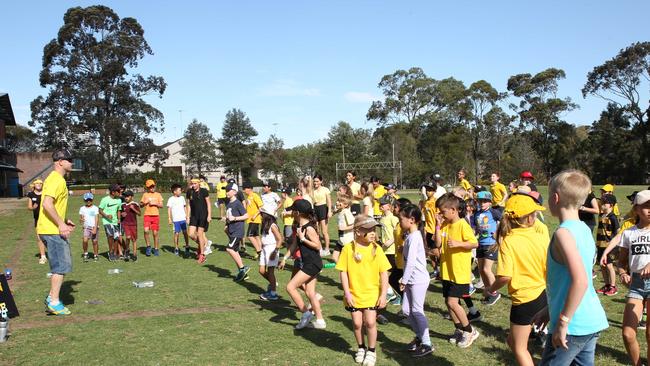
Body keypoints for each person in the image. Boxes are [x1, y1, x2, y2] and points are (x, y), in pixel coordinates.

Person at [537, 170, 608, 366]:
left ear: (555, 198)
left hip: (573, 326)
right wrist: (549, 309)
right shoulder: (584, 229)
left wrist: (562, 322)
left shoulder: (563, 234)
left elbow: (581, 281)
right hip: (588, 321)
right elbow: (569, 280)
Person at [488, 193, 548, 366]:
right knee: (511, 341)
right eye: (534, 213)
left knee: (519, 348)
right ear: (529, 218)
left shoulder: (508, 240)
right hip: (543, 294)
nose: (536, 216)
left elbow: (505, 276)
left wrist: (491, 288)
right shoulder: (540, 235)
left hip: (525, 300)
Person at [336, 214, 391, 366]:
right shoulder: (348, 249)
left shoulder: (377, 249)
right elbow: (343, 272)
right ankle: (361, 348)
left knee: (371, 322)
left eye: (374, 229)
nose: (373, 232)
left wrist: (383, 294)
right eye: (369, 229)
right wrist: (347, 293)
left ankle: (372, 351)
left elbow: (384, 273)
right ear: (358, 231)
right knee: (357, 323)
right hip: (354, 294)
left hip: (372, 293)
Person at [435, 193, 480, 348]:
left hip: (459, 272)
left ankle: (470, 330)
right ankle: (459, 329)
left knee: (452, 302)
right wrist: (437, 225)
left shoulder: (462, 225)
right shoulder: (445, 225)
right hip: (447, 270)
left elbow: (474, 244)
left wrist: (459, 243)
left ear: (453, 210)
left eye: (443, 212)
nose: (441, 214)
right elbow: (438, 243)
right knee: (448, 303)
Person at [38, 149, 76, 315]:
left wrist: (64, 219)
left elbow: (53, 204)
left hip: (50, 228)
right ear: (60, 161)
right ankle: (54, 302)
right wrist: (60, 224)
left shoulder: (55, 179)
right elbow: (47, 204)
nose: (72, 163)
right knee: (60, 266)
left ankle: (51, 297)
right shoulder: (56, 179)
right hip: (52, 231)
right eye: (69, 159)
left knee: (60, 265)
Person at [617, 190, 650, 366]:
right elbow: (621, 262)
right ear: (636, 209)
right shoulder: (628, 233)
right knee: (628, 333)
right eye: (646, 206)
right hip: (636, 284)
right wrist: (623, 273)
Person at [398, 204, 434, 357]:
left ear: (412, 220)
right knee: (406, 310)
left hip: (417, 280)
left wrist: (404, 280)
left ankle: (427, 343)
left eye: (401, 219)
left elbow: (412, 261)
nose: (399, 221)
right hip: (410, 279)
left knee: (417, 311)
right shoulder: (410, 236)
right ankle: (419, 337)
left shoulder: (414, 237)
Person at [285, 199, 326, 330]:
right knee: (310, 292)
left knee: (290, 287)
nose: (291, 212)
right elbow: (294, 245)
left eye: (293, 210)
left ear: (298, 212)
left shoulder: (308, 228)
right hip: (310, 263)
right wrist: (285, 258)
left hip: (312, 264)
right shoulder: (299, 227)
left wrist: (303, 239)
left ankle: (306, 313)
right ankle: (320, 321)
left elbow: (318, 246)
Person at [474, 191, 502, 305]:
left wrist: (499, 234)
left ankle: (495, 293)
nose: (482, 203)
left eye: (485, 201)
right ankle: (488, 291)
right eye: (480, 201)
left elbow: (504, 222)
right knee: (481, 270)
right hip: (480, 243)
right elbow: (476, 228)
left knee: (486, 269)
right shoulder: (476, 214)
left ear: (490, 202)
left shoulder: (494, 212)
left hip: (491, 243)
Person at [224, 182, 251, 282]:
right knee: (235, 251)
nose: (226, 192)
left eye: (228, 190)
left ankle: (243, 268)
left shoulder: (237, 203)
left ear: (234, 192)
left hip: (238, 231)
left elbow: (246, 216)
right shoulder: (229, 203)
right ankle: (243, 273)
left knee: (229, 249)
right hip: (231, 230)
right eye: (226, 190)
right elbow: (229, 217)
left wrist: (234, 218)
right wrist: (226, 224)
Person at [595, 194, 619, 296]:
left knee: (609, 266)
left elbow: (617, 232)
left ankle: (613, 287)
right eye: (602, 203)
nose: (602, 205)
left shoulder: (613, 217)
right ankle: (607, 285)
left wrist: (616, 246)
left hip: (609, 246)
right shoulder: (601, 215)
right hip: (600, 245)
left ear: (611, 205)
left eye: (604, 203)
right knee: (602, 265)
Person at [258, 206, 283, 301]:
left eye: (262, 214)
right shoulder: (265, 224)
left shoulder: (272, 225)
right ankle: (273, 283)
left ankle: (273, 293)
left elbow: (280, 239)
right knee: (261, 270)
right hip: (265, 249)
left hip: (272, 249)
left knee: (271, 271)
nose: (260, 216)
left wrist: (275, 251)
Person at [379, 195, 400, 305]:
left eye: (383, 204)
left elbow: (397, 233)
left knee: (387, 275)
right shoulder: (382, 218)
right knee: (384, 274)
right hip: (384, 250)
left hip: (392, 250)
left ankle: (393, 294)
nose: (380, 206)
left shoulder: (393, 218)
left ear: (389, 206)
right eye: (380, 204)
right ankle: (392, 294)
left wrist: (390, 241)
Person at [187, 178, 211, 263]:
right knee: (190, 234)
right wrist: (187, 216)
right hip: (193, 216)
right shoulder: (189, 192)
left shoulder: (204, 191)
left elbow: (208, 203)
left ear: (198, 184)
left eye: (195, 183)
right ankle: (203, 244)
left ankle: (202, 255)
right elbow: (189, 205)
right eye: (192, 183)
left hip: (203, 216)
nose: (193, 185)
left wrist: (209, 215)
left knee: (200, 234)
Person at [99, 184, 123, 262]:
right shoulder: (104, 200)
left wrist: (119, 219)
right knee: (110, 235)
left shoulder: (119, 200)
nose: (120, 192)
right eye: (118, 191)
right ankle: (111, 252)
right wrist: (106, 216)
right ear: (113, 192)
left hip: (115, 222)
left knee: (116, 237)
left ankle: (115, 253)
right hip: (107, 222)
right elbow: (100, 210)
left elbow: (118, 210)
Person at [140, 179, 163, 257]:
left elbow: (161, 205)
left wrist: (155, 203)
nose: (152, 188)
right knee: (146, 231)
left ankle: (156, 248)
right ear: (147, 187)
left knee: (155, 233)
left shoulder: (158, 195)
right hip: (147, 215)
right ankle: (148, 247)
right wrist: (145, 202)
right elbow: (141, 205)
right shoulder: (145, 195)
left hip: (155, 216)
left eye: (153, 186)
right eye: (150, 187)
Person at [420, 184, 438, 278]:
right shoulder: (426, 202)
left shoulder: (436, 202)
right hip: (428, 230)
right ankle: (436, 271)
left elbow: (438, 218)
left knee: (436, 252)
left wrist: (436, 231)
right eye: (427, 190)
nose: (428, 192)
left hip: (434, 231)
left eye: (430, 190)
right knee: (431, 253)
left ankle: (443, 270)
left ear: (434, 191)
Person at [27, 178, 47, 264]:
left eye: (40, 183)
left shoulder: (46, 193)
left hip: (47, 218)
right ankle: (43, 257)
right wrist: (33, 208)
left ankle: (53, 254)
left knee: (49, 237)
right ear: (34, 185)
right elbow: (29, 207)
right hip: (38, 219)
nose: (39, 184)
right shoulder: (31, 194)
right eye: (37, 183)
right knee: (39, 238)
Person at [312, 174, 333, 256]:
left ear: (321, 181)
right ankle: (320, 249)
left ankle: (327, 249)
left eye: (317, 181)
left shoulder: (325, 189)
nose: (315, 183)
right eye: (314, 181)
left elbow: (329, 201)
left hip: (323, 209)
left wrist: (329, 211)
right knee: (316, 231)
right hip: (315, 210)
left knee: (324, 232)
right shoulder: (312, 191)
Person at [167, 184, 189, 257]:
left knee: (185, 233)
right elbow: (169, 209)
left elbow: (185, 207)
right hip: (176, 220)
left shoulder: (182, 198)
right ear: (174, 191)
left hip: (183, 219)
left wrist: (187, 216)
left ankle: (187, 246)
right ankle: (176, 248)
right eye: (179, 190)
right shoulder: (171, 199)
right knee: (176, 233)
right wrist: (169, 218)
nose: (181, 191)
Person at [243, 182, 263, 257]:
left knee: (249, 236)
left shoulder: (255, 196)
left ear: (249, 189)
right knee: (256, 236)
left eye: (245, 189)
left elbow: (261, 208)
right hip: (251, 220)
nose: (244, 191)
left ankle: (259, 251)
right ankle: (261, 250)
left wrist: (255, 215)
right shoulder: (248, 197)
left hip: (255, 220)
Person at [79, 192, 99, 262]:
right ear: (84, 200)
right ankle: (85, 253)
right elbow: (81, 219)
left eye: (90, 200)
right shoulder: (82, 208)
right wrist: (81, 220)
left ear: (92, 199)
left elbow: (96, 218)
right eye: (87, 200)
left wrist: (95, 228)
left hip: (94, 227)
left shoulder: (95, 208)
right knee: (85, 240)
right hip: (86, 227)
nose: (88, 201)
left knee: (95, 242)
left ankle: (96, 254)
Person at [120, 190, 140, 261]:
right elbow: (120, 214)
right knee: (128, 237)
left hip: (133, 224)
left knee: (134, 240)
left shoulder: (135, 204)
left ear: (132, 197)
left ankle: (134, 254)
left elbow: (139, 213)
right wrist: (122, 215)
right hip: (125, 224)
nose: (126, 198)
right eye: (125, 196)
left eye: (128, 196)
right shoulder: (122, 205)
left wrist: (133, 209)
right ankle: (127, 250)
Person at [335, 194, 355, 263]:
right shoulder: (341, 211)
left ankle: (347, 270)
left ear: (346, 205)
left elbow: (354, 225)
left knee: (349, 259)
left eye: (339, 201)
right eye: (337, 200)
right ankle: (343, 269)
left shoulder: (347, 212)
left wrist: (344, 228)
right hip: (341, 240)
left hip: (347, 241)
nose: (337, 202)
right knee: (335, 257)